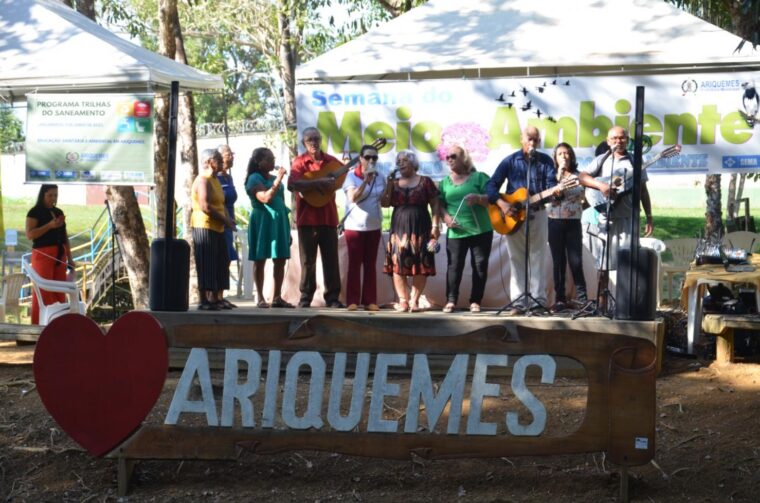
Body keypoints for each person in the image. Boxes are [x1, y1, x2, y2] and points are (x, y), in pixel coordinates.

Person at [486, 126, 559, 315]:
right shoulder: (510, 161)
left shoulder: (546, 161)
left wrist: (555, 192)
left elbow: (551, 187)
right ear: (521, 139)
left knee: (538, 256)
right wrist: (502, 205)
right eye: (529, 139)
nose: (532, 143)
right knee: (516, 258)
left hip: (538, 212)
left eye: (536, 139)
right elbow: (491, 185)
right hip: (512, 216)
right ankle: (518, 302)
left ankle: (538, 301)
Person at [578, 126, 654, 275]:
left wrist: (649, 217)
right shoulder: (602, 159)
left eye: (622, 138)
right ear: (608, 141)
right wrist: (601, 186)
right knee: (603, 267)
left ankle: (623, 298)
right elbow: (582, 177)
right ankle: (603, 298)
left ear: (627, 140)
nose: (618, 141)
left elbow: (643, 191)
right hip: (606, 220)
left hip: (628, 219)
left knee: (627, 266)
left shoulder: (636, 161)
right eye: (614, 138)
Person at [287, 127, 344, 308]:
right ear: (304, 143)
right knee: (307, 261)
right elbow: (293, 184)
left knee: (331, 259)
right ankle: (305, 298)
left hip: (328, 217)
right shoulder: (299, 162)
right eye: (310, 139)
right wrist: (317, 183)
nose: (314, 142)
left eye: (316, 138)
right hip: (307, 219)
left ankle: (333, 298)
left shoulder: (331, 162)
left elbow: (342, 176)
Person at [381, 150, 440, 313]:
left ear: (413, 163)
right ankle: (403, 300)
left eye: (404, 160)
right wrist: (389, 184)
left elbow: (435, 204)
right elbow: (385, 204)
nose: (400, 163)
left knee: (421, 263)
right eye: (398, 160)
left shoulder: (425, 181)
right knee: (397, 263)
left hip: (421, 226)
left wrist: (435, 226)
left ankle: (414, 300)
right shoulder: (394, 182)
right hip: (399, 228)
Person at [438, 145, 493, 313]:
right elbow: (439, 205)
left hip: (480, 230)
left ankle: (475, 301)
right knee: (454, 266)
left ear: (464, 158)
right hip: (456, 232)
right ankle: (451, 300)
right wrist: (446, 218)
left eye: (453, 156)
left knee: (480, 266)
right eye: (447, 157)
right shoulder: (444, 182)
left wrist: (478, 198)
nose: (449, 159)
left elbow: (492, 198)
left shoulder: (479, 177)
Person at [245, 147, 293, 308]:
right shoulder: (254, 178)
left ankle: (277, 297)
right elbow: (265, 198)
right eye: (269, 159)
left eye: (273, 158)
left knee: (280, 259)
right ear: (259, 162)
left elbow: (281, 200)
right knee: (260, 259)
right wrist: (278, 180)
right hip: (263, 222)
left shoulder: (273, 177)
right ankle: (260, 297)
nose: (273, 161)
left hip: (279, 222)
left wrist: (287, 228)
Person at [342, 144, 386, 311]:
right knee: (354, 264)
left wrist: (389, 187)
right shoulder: (351, 176)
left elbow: (385, 201)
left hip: (373, 226)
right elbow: (352, 198)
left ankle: (369, 301)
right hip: (354, 227)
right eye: (367, 157)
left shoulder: (381, 177)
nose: (371, 160)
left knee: (370, 264)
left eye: (374, 157)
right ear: (360, 158)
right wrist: (365, 181)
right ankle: (352, 301)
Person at [191, 149, 236, 310]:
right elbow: (205, 206)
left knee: (221, 261)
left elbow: (220, 203)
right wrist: (225, 219)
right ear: (209, 162)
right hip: (204, 225)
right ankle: (204, 300)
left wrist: (227, 218)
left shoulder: (216, 179)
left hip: (219, 227)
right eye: (218, 159)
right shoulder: (203, 180)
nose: (221, 161)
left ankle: (217, 298)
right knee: (206, 261)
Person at [25, 184, 75, 324]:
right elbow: (30, 234)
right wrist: (49, 226)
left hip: (60, 254)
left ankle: (58, 324)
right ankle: (40, 325)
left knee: (60, 289)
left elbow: (65, 237)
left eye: (55, 195)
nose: (53, 198)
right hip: (43, 254)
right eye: (50, 195)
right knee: (43, 290)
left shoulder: (58, 211)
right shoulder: (35, 212)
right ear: (43, 195)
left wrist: (70, 258)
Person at [547, 143, 588, 313]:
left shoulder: (580, 176)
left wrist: (576, 209)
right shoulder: (551, 176)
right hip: (554, 222)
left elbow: (586, 199)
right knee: (558, 262)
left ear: (571, 156)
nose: (563, 156)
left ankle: (583, 300)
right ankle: (560, 299)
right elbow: (551, 195)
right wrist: (559, 173)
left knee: (576, 262)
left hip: (573, 223)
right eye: (560, 154)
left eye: (566, 153)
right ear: (555, 158)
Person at [216, 145, 240, 268]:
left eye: (232, 155)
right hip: (220, 222)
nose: (231, 158)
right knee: (222, 260)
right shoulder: (215, 178)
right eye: (228, 155)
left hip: (230, 222)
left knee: (227, 260)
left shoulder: (228, 177)